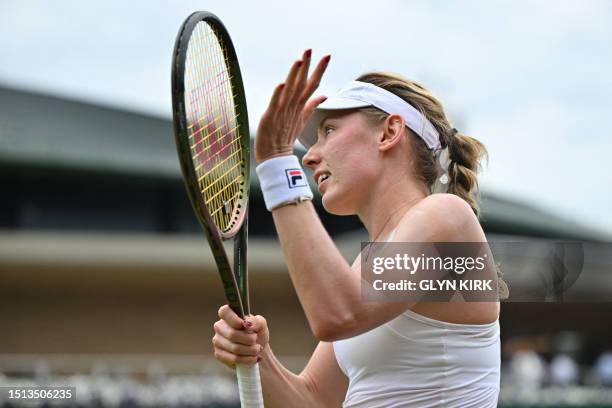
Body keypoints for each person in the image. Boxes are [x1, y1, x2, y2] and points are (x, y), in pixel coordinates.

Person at [212, 49, 508, 407]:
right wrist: (258, 357)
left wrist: (277, 164)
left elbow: (339, 312)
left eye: (329, 131)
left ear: (389, 132)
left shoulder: (448, 217)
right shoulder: (364, 272)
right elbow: (314, 400)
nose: (308, 156)